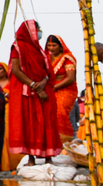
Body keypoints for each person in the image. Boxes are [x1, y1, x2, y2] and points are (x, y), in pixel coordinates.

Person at [4, 20, 61, 165]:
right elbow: (16, 70)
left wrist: (42, 83)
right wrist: (34, 85)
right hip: (27, 92)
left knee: (46, 122)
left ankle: (48, 156)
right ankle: (31, 158)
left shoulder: (39, 50)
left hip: (44, 91)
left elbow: (47, 72)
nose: (40, 31)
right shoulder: (17, 47)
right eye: (38, 29)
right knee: (29, 123)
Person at [45, 34, 79, 143]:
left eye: (54, 45)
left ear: (61, 46)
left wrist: (54, 87)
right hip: (50, 90)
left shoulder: (67, 58)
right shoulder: (47, 58)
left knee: (60, 114)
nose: (51, 48)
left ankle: (64, 142)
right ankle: (51, 143)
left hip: (66, 90)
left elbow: (71, 78)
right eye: (49, 45)